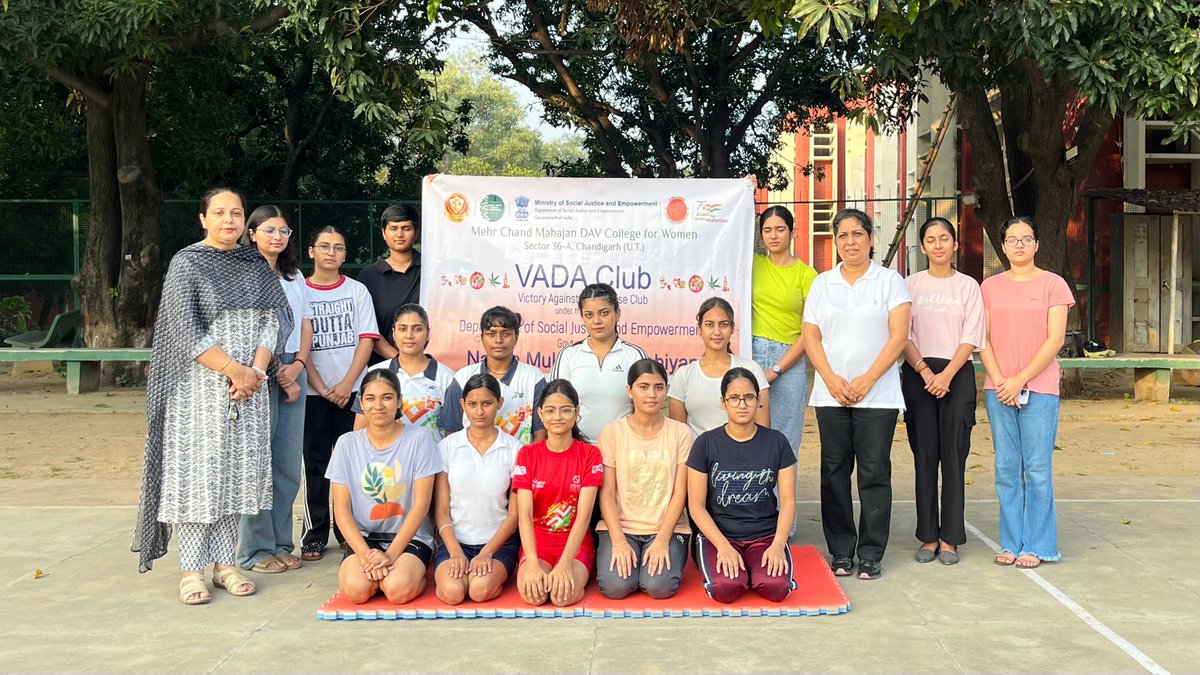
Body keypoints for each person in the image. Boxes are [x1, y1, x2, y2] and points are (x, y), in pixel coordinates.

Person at [132, 187, 290, 605]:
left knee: (236, 476)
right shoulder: (187, 263)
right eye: (219, 213)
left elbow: (272, 320)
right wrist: (233, 369)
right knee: (198, 477)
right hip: (198, 390)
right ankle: (191, 572)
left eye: (236, 213)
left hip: (248, 390)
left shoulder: (254, 263)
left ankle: (225, 565)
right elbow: (183, 328)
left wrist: (255, 371)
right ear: (203, 219)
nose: (229, 220)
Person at [803, 208, 911, 580]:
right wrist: (831, 378)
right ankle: (841, 551)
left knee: (874, 472)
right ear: (835, 242)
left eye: (857, 234)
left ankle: (870, 553)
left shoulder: (890, 281)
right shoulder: (822, 284)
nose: (850, 241)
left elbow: (899, 336)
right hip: (831, 395)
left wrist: (866, 380)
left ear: (869, 238)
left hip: (877, 396)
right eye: (842, 235)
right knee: (833, 473)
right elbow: (811, 336)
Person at [979, 216, 1073, 569]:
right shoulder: (989, 287)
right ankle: (1010, 542)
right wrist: (1002, 379)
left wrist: (1020, 379)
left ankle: (1038, 544)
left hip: (1040, 389)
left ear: (1036, 245)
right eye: (1012, 239)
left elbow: (1056, 339)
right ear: (1002, 246)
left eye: (1026, 238)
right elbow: (982, 339)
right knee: (1006, 467)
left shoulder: (1053, 285)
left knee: (1036, 469)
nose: (1019, 244)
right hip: (998, 388)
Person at [901, 218, 984, 566]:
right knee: (924, 460)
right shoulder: (908, 285)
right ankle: (928, 537)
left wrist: (946, 374)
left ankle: (950, 538)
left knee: (953, 459)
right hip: (918, 374)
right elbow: (902, 334)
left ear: (954, 245)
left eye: (944, 239)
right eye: (931, 240)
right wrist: (925, 372)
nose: (938, 245)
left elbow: (971, 335)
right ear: (922, 247)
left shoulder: (968, 286)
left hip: (957, 376)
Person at [237, 206, 313, 574]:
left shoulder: (294, 275)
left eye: (284, 231)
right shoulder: (238, 271)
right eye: (269, 230)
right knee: (256, 463)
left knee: (286, 463)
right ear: (251, 233)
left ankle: (282, 543)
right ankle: (254, 549)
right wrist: (272, 369)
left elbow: (305, 324)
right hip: (252, 371)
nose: (277, 237)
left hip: (291, 368)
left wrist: (296, 366)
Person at [301, 226, 381, 561]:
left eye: (338, 247)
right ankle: (314, 533)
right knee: (316, 465)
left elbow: (367, 339)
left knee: (354, 466)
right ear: (311, 251)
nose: (331, 253)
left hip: (354, 393)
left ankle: (351, 533)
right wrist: (320, 386)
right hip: (312, 394)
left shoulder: (358, 290)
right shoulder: (298, 291)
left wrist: (349, 384)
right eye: (324, 246)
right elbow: (298, 346)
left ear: (345, 254)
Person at [328, 369, 442, 604]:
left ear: (399, 401)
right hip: (365, 539)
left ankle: (415, 571)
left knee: (397, 590)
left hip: (410, 537)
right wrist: (365, 554)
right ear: (361, 403)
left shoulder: (420, 438)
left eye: (387, 397)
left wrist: (390, 555)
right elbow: (341, 510)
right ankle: (378, 572)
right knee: (356, 591)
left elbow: (421, 505)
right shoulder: (346, 444)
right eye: (370, 398)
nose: (378, 405)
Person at [686, 367, 797, 604]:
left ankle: (754, 568)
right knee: (725, 588)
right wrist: (723, 547)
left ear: (759, 401)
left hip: (764, 535)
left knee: (776, 588)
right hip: (721, 535)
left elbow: (788, 502)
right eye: (734, 398)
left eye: (749, 397)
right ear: (723, 402)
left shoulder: (776, 442)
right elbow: (695, 506)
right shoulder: (705, 444)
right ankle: (742, 571)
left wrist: (778, 544)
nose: (742, 404)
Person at [595, 358, 692, 600]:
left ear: (666, 391)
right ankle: (631, 559)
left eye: (659, 387)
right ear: (629, 391)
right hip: (621, 528)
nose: (652, 394)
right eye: (643, 387)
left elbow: (680, 493)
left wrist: (661, 540)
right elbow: (606, 493)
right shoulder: (612, 433)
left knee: (659, 587)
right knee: (615, 587)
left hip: (665, 528)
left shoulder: (680, 433)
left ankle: (651, 560)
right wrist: (618, 542)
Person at [512, 380, 603, 607]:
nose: (558, 417)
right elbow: (523, 515)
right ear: (540, 414)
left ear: (577, 413)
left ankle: (573, 577)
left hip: (575, 545)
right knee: (534, 596)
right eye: (550, 411)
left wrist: (564, 565)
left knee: (562, 598)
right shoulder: (527, 454)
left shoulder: (590, 454)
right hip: (538, 545)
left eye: (565, 410)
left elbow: (583, 516)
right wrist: (532, 564)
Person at [433, 373, 522, 604]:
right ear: (462, 405)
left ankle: (489, 572)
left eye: (487, 403)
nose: (479, 412)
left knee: (479, 590)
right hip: (456, 541)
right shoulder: (447, 447)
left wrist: (487, 553)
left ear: (499, 404)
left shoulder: (514, 449)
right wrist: (454, 551)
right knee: (453, 593)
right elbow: (441, 511)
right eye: (472, 404)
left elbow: (514, 514)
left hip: (498, 543)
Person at [751, 205, 818, 455]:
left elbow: (809, 331)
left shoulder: (807, 275)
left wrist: (777, 369)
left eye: (780, 229)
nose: (774, 235)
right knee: (751, 434)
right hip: (752, 353)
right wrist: (749, 194)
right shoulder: (751, 264)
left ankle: (784, 496)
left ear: (792, 232)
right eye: (767, 230)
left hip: (790, 360)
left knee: (785, 439)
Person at [549, 283, 649, 441]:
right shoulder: (568, 355)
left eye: (604, 313)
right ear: (582, 317)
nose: (597, 321)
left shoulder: (634, 355)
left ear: (617, 314)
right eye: (589, 315)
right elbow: (554, 403)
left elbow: (646, 406)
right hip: (577, 450)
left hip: (623, 448)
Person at [440, 306, 547, 445]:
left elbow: (541, 433)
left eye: (506, 334)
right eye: (491, 334)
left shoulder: (533, 378)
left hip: (520, 463)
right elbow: (451, 431)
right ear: (482, 337)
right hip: (471, 462)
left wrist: (527, 463)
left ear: (516, 337)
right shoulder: (463, 378)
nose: (498, 340)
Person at [668, 297, 770, 439]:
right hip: (698, 459)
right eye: (710, 324)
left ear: (732, 328)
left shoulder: (751, 369)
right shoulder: (684, 375)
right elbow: (678, 435)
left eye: (723, 324)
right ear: (699, 329)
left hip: (745, 458)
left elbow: (763, 430)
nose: (717, 332)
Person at [350, 304, 454, 436]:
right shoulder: (375, 373)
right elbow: (360, 431)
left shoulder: (447, 377)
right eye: (402, 329)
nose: (409, 335)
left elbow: (452, 433)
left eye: (417, 329)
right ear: (393, 333)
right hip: (384, 456)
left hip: (431, 455)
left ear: (428, 333)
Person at [357, 204, 421, 363]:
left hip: (429, 365)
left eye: (406, 228)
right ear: (384, 233)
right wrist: (399, 361)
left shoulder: (432, 271)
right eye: (393, 228)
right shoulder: (368, 277)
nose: (400, 234)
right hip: (383, 367)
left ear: (416, 232)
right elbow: (367, 329)